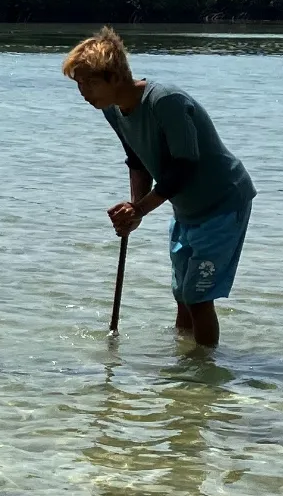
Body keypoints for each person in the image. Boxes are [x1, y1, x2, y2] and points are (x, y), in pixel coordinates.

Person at [62, 27, 255, 349]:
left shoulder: (165, 100)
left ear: (115, 76)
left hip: (222, 203)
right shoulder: (113, 110)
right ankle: (183, 362)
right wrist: (134, 210)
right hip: (186, 209)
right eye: (78, 83)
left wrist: (140, 209)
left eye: (89, 82)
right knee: (182, 293)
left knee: (198, 296)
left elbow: (185, 166)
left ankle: (202, 374)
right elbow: (137, 160)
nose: (82, 92)